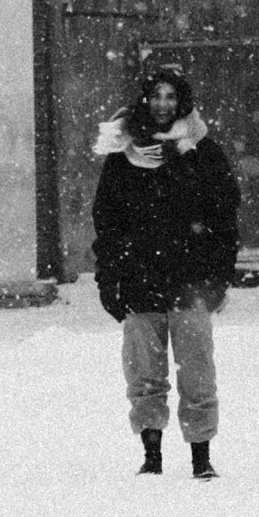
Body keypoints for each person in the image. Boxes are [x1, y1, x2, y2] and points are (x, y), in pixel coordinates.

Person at [96, 63, 240, 469]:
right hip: (139, 280)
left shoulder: (202, 152)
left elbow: (224, 217)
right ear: (145, 100)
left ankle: (201, 456)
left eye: (170, 96)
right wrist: (111, 280)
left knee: (197, 373)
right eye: (156, 96)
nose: (163, 104)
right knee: (143, 375)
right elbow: (107, 223)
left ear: (182, 102)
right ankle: (152, 455)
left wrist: (217, 278)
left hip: (191, 280)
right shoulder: (122, 157)